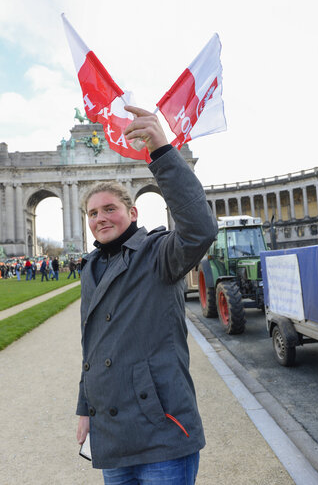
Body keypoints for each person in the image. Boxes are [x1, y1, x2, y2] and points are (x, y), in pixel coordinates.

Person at [76, 106, 218, 485]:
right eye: (92, 213)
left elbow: (199, 229)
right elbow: (91, 350)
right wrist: (84, 408)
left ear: (133, 212)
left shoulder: (159, 253)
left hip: (162, 433)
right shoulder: (89, 268)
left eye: (110, 208)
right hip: (113, 439)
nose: (100, 218)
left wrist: (161, 151)